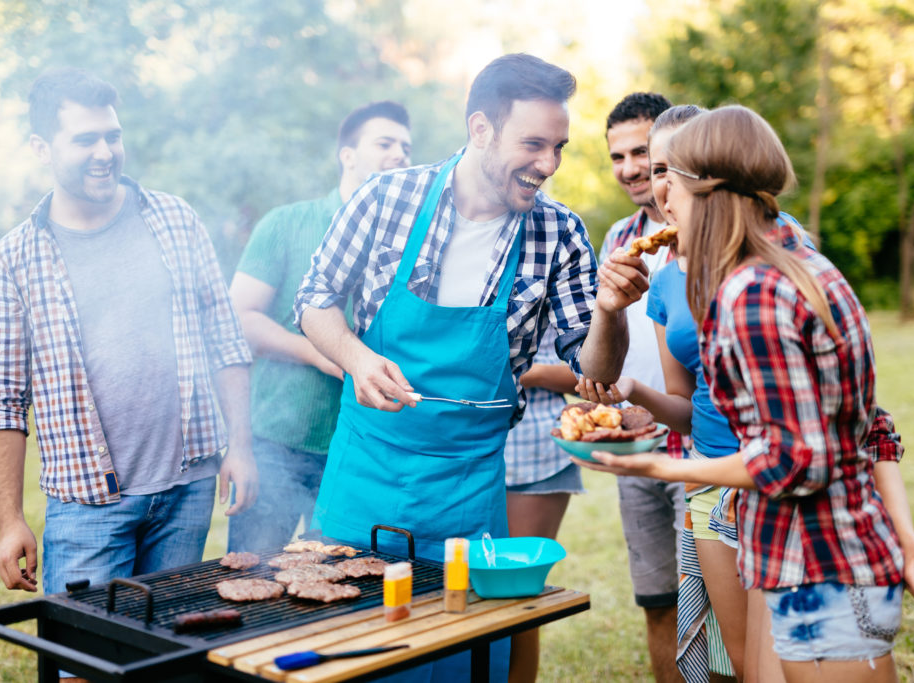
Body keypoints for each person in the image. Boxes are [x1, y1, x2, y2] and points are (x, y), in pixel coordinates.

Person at [575, 105, 914, 683]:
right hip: (822, 553)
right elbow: (856, 427)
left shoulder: (753, 293)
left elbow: (795, 461)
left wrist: (655, 466)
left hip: (819, 564)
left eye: (670, 181)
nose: (663, 202)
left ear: (706, 189)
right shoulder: (804, 269)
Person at [294, 53, 644, 680]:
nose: (549, 164)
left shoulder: (559, 233)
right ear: (481, 129)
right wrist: (357, 357)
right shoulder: (386, 198)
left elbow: (592, 371)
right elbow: (314, 301)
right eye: (533, 143)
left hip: (466, 488)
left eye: (559, 146)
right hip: (365, 472)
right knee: (346, 654)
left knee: (459, 659)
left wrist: (611, 313)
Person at [0, 67, 257, 609]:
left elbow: (225, 341)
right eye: (85, 139)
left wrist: (240, 448)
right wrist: (10, 521)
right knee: (85, 659)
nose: (105, 151)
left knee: (166, 650)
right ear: (42, 147)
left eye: (113, 135)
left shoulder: (176, 219)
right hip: (87, 504)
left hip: (187, 489)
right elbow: (3, 400)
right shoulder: (15, 257)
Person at [227, 101, 412, 553]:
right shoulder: (288, 223)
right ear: (347, 155)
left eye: (406, 148)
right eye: (385, 143)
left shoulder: (412, 240)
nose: (399, 155)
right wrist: (318, 351)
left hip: (367, 445)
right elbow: (238, 319)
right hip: (279, 441)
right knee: (254, 576)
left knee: (344, 585)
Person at [597, 91, 684, 683]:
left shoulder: (713, 228)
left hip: (704, 446)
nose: (630, 169)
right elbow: (605, 353)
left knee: (714, 611)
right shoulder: (618, 239)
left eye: (643, 154)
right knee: (657, 601)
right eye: (617, 157)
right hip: (637, 445)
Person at [502, 327, 581, 683]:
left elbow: (587, 373)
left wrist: (514, 368)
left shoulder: (560, 272)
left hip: (533, 457)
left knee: (517, 595)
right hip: (461, 456)